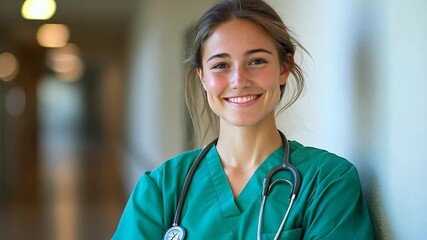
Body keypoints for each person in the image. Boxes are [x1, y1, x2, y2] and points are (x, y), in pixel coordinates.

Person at [113, 0, 375, 239]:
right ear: (202, 76)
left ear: (284, 68)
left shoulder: (327, 182)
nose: (239, 80)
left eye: (257, 61)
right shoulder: (161, 189)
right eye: (220, 65)